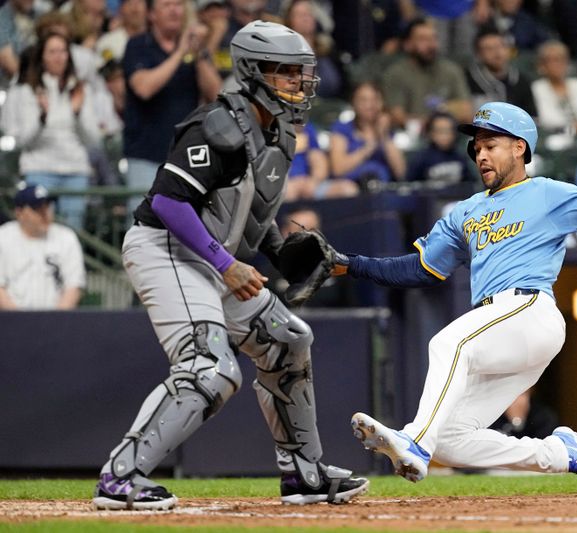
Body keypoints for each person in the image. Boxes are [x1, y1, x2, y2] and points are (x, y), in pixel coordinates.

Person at [333, 101, 577, 485]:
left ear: (519, 147)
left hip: (529, 309)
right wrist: (352, 264)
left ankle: (416, 441)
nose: (480, 154)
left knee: (449, 343)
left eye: (491, 145)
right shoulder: (463, 212)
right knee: (451, 440)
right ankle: (560, 454)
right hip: (502, 331)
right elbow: (418, 270)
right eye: (477, 148)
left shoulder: (547, 193)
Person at [91, 21, 369, 511]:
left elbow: (254, 214)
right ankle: (121, 476)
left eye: (299, 75)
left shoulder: (279, 134)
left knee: (288, 339)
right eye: (285, 74)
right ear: (253, 72)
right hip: (166, 248)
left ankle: (302, 473)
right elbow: (170, 203)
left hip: (209, 256)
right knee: (210, 366)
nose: (297, 84)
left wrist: (285, 251)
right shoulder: (217, 124)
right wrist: (226, 265)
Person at [122, 0, 222, 217]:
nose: (175, 10)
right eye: (167, 5)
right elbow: (144, 88)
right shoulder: (138, 45)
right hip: (145, 155)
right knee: (143, 225)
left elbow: (216, 94)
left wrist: (201, 53)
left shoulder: (193, 49)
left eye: (178, 5)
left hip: (184, 156)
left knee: (186, 226)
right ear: (151, 15)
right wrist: (180, 53)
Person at [0, 32, 103, 230]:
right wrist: (42, 119)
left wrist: (78, 112)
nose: (58, 57)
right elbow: (23, 140)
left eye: (63, 51)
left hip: (75, 170)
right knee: (36, 230)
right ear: (42, 56)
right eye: (52, 51)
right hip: (39, 168)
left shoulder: (80, 89)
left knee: (73, 233)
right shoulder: (27, 90)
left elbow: (93, 138)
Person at [0, 185, 86, 310]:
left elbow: (74, 286)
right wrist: (18, 321)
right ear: (19, 213)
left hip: (57, 322)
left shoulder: (66, 237)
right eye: (37, 209)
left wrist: (54, 322)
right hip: (9, 322)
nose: (45, 213)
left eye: (47, 207)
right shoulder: (3, 236)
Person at [382, 17, 472, 129]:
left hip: (449, 136)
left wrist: (440, 111)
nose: (431, 45)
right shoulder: (395, 74)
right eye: (423, 39)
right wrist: (444, 113)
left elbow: (466, 111)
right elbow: (397, 117)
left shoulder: (451, 70)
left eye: (434, 38)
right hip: (410, 138)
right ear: (407, 45)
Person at [329, 81, 406, 189]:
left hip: (382, 188)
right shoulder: (342, 129)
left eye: (375, 100)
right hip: (353, 188)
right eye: (363, 100)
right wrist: (371, 146)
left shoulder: (386, 131)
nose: (369, 105)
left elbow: (400, 172)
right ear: (353, 103)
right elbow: (338, 169)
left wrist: (384, 136)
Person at [531, 40, 577, 136]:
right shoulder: (536, 88)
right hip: (555, 138)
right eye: (552, 60)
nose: (557, 64)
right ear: (542, 65)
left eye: (561, 59)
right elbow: (546, 120)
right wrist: (572, 127)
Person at [465, 25, 537, 117]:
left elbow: (532, 116)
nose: (497, 53)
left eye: (500, 46)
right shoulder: (468, 79)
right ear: (479, 55)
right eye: (489, 49)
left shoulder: (521, 80)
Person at [406, 111, 474, 185]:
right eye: (440, 131)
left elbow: (470, 184)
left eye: (448, 130)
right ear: (430, 133)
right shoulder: (421, 158)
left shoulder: (460, 157)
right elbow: (409, 185)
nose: (444, 136)